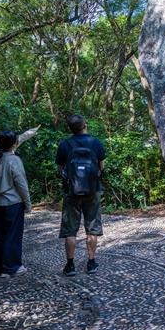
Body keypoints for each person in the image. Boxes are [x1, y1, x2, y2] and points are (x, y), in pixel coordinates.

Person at [55, 114, 106, 276]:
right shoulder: (95, 143)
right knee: (92, 228)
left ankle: (70, 265)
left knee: (70, 230)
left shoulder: (64, 144)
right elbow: (101, 167)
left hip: (71, 192)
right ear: (85, 125)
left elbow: (60, 169)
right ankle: (91, 263)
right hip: (93, 191)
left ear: (70, 128)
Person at [0, 130, 32, 277]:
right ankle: (11, 267)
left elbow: (5, 145)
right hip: (12, 203)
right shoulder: (14, 160)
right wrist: (28, 203)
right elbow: (21, 184)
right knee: (12, 235)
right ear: (15, 144)